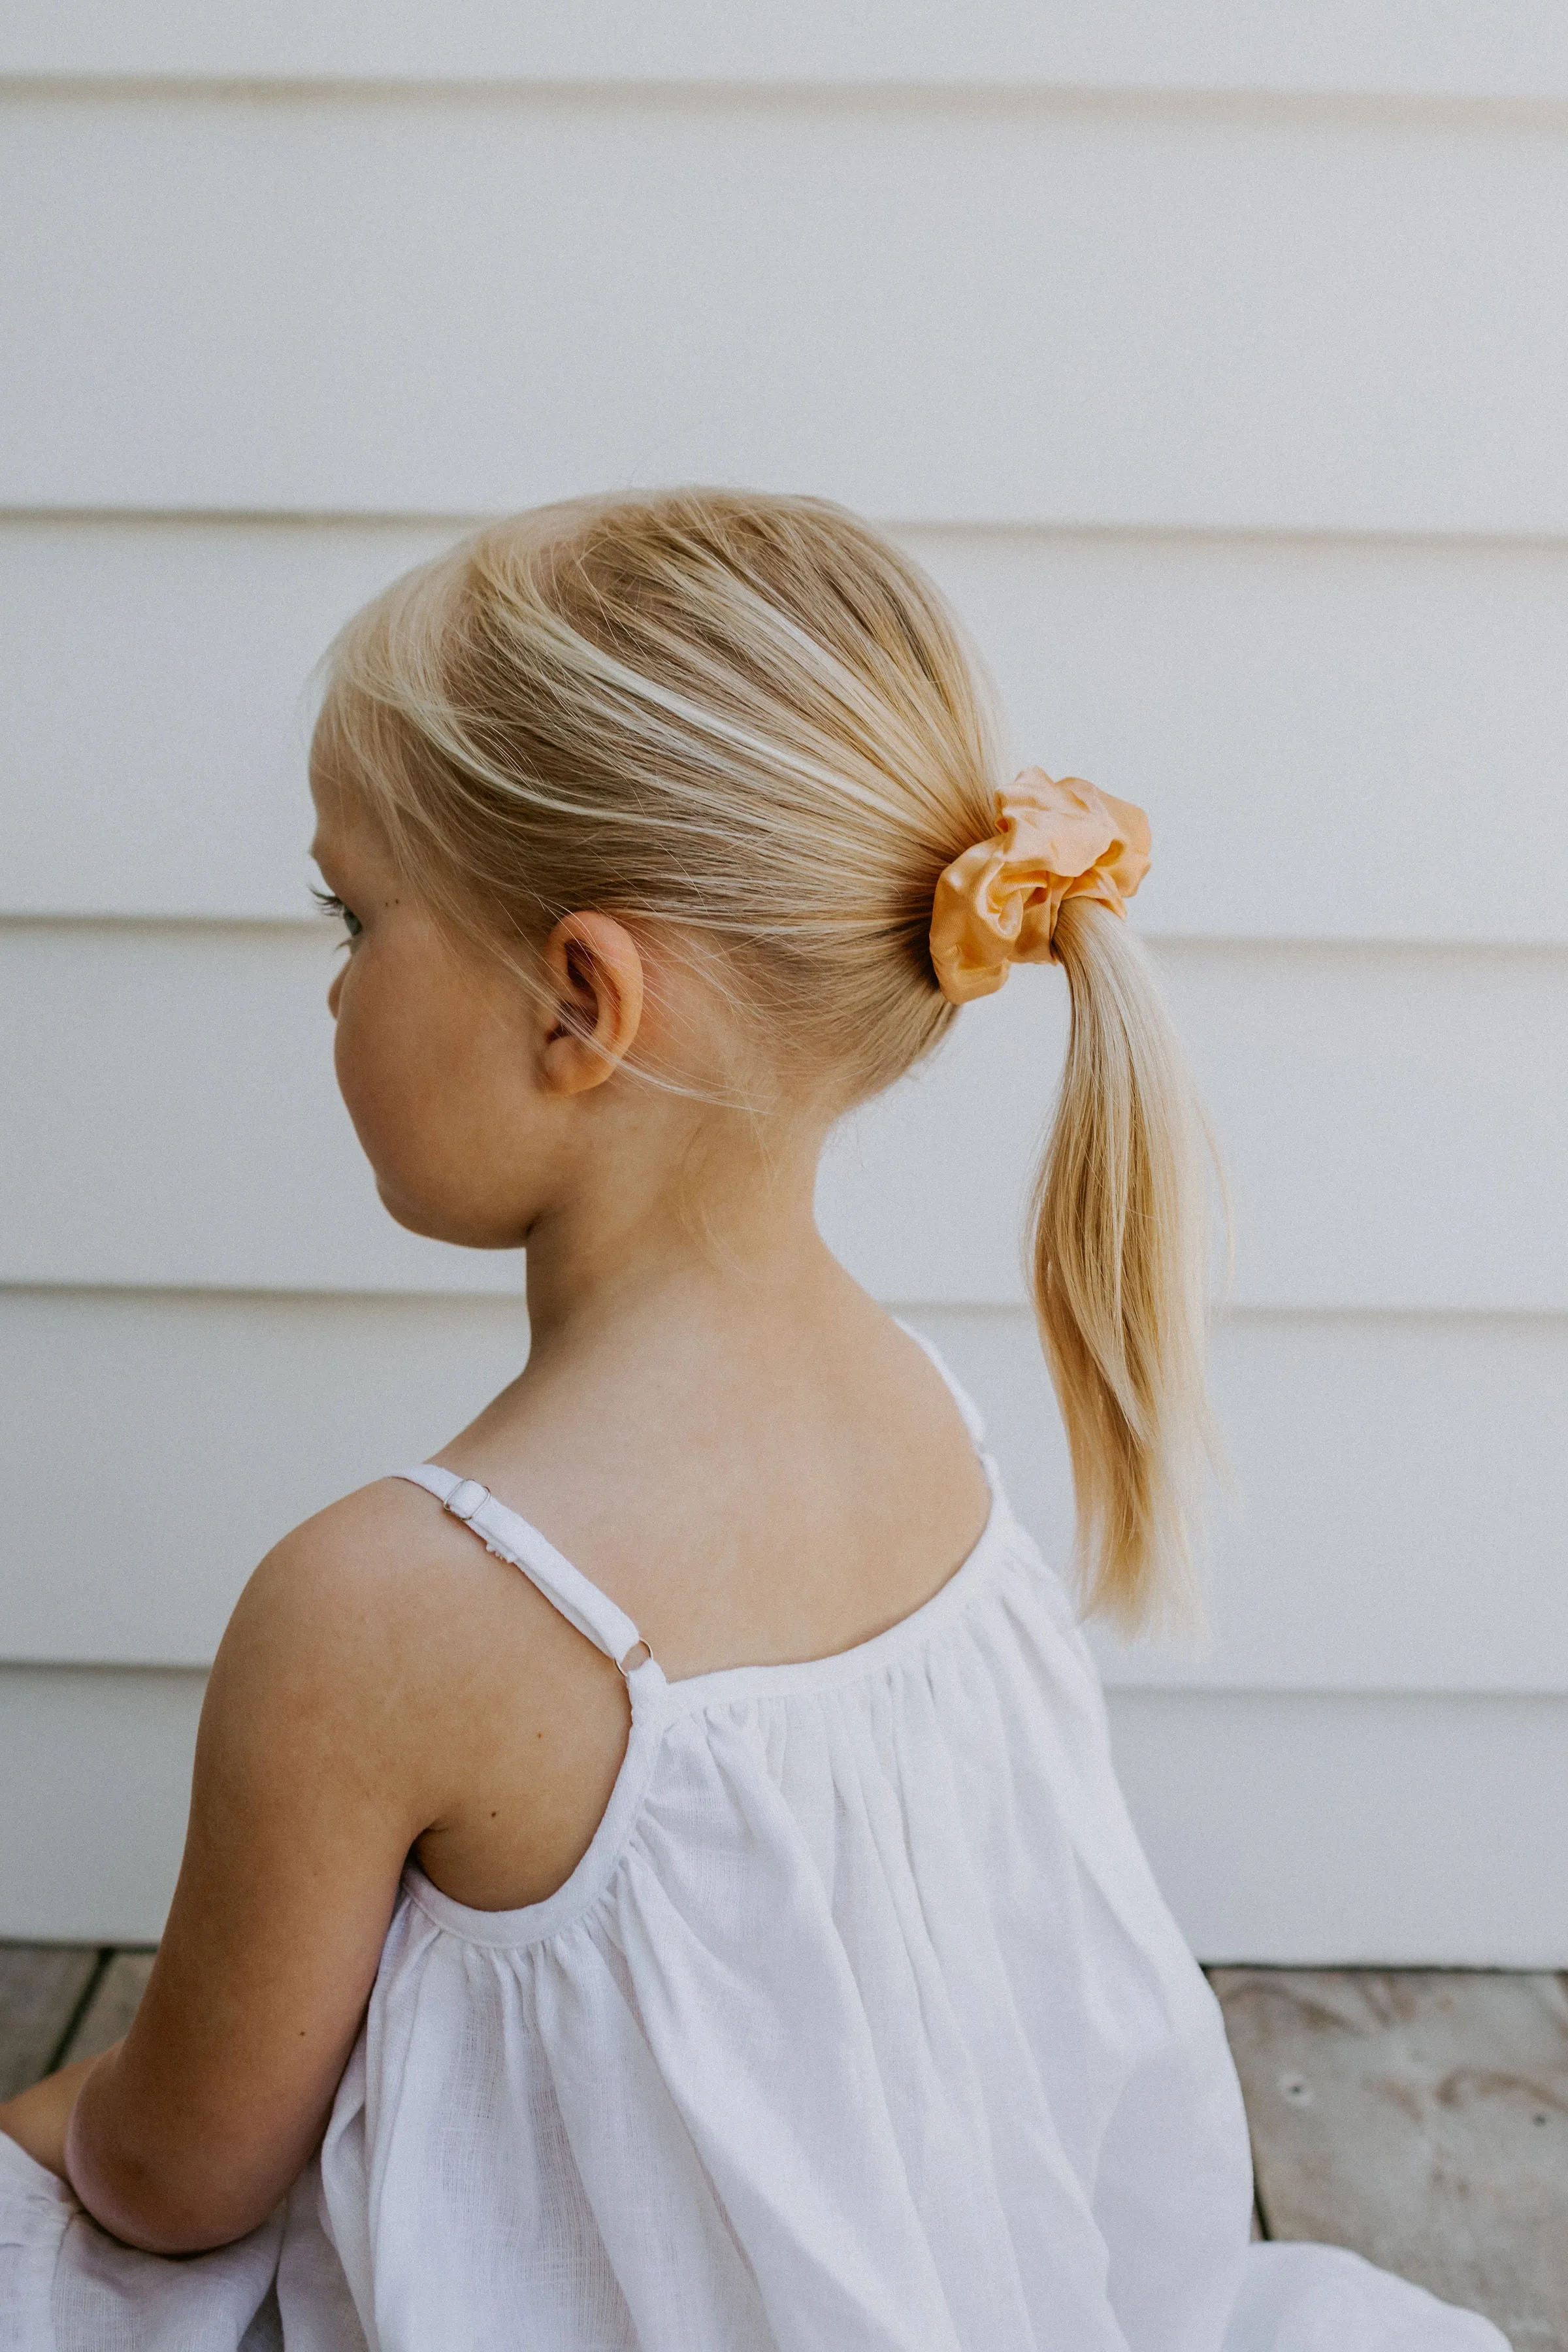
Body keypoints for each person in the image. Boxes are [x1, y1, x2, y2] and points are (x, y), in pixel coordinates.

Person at [0, 490, 1505, 2349]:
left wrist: (49, 2114)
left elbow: (179, 2169)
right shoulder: (922, 1422)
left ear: (580, 999)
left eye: (354, 909)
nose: (331, 981)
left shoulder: (378, 1612)